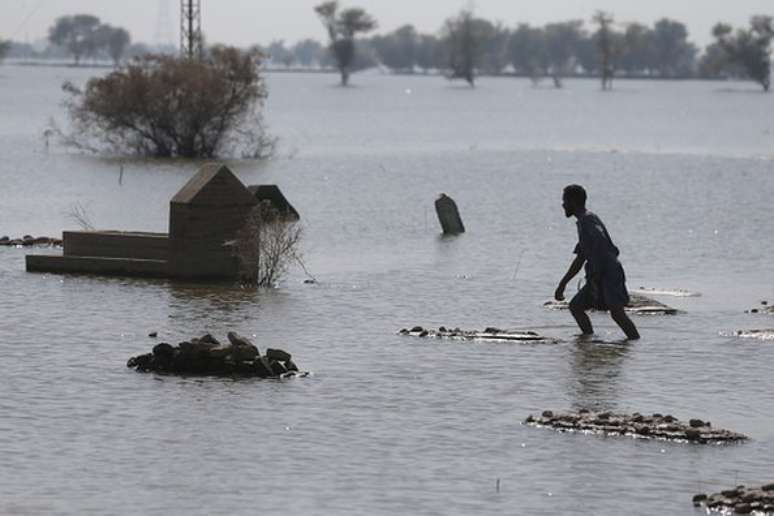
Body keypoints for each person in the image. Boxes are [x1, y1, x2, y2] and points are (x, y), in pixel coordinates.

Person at [554, 184, 640, 340]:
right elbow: (580, 258)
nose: (563, 205)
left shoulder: (588, 220)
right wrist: (563, 283)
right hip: (598, 273)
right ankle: (588, 343)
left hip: (608, 272)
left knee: (617, 313)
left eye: (564, 200)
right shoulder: (584, 221)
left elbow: (603, 246)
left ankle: (635, 343)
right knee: (576, 307)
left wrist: (598, 274)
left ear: (573, 201)